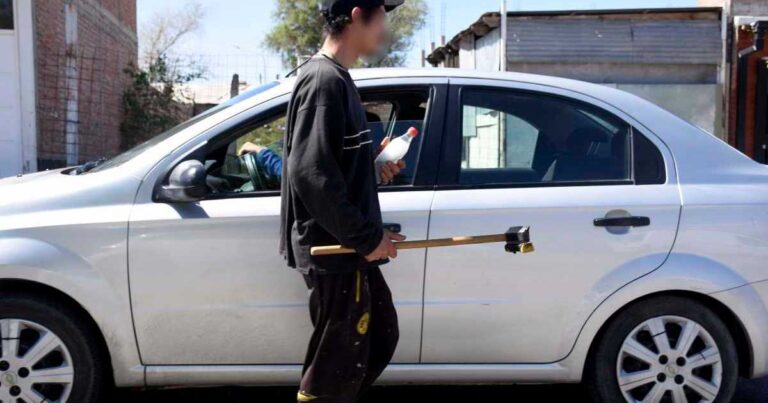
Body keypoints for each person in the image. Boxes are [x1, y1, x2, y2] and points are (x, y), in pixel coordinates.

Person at [279, 1, 407, 402]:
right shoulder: (324, 82)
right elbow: (310, 175)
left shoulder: (339, 79)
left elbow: (329, 167)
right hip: (336, 250)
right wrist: (368, 239)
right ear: (356, 15)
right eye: (382, 14)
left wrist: (369, 169)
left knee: (378, 336)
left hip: (349, 249)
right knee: (335, 368)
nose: (384, 27)